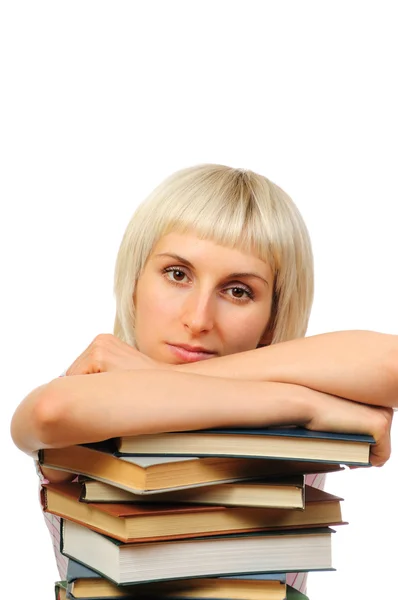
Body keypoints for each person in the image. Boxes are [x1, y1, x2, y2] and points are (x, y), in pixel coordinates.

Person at [10, 163, 396, 594]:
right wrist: (308, 405)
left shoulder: (120, 374)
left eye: (238, 291)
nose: (197, 320)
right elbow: (49, 412)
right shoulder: (92, 385)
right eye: (177, 274)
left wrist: (153, 376)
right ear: (135, 281)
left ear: (270, 320)